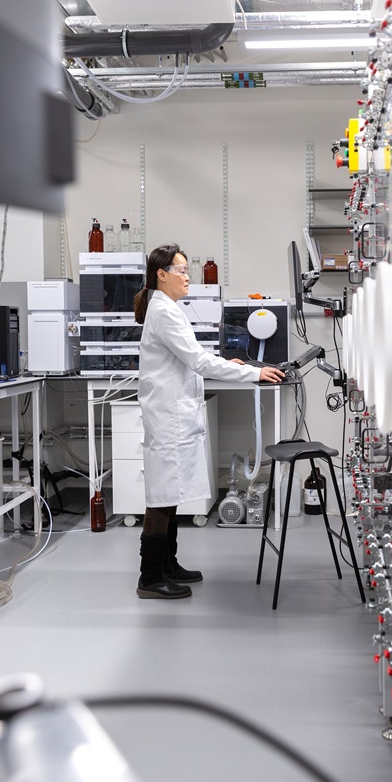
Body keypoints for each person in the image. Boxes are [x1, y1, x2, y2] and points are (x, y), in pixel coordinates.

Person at [133, 244, 284, 599]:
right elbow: (199, 363)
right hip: (167, 416)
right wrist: (253, 372)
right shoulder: (164, 313)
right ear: (162, 274)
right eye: (181, 270)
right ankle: (150, 576)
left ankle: (168, 564)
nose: (188, 277)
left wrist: (234, 366)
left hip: (173, 414)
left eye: (188, 270)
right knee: (161, 497)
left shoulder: (166, 308)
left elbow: (194, 358)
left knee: (169, 494)